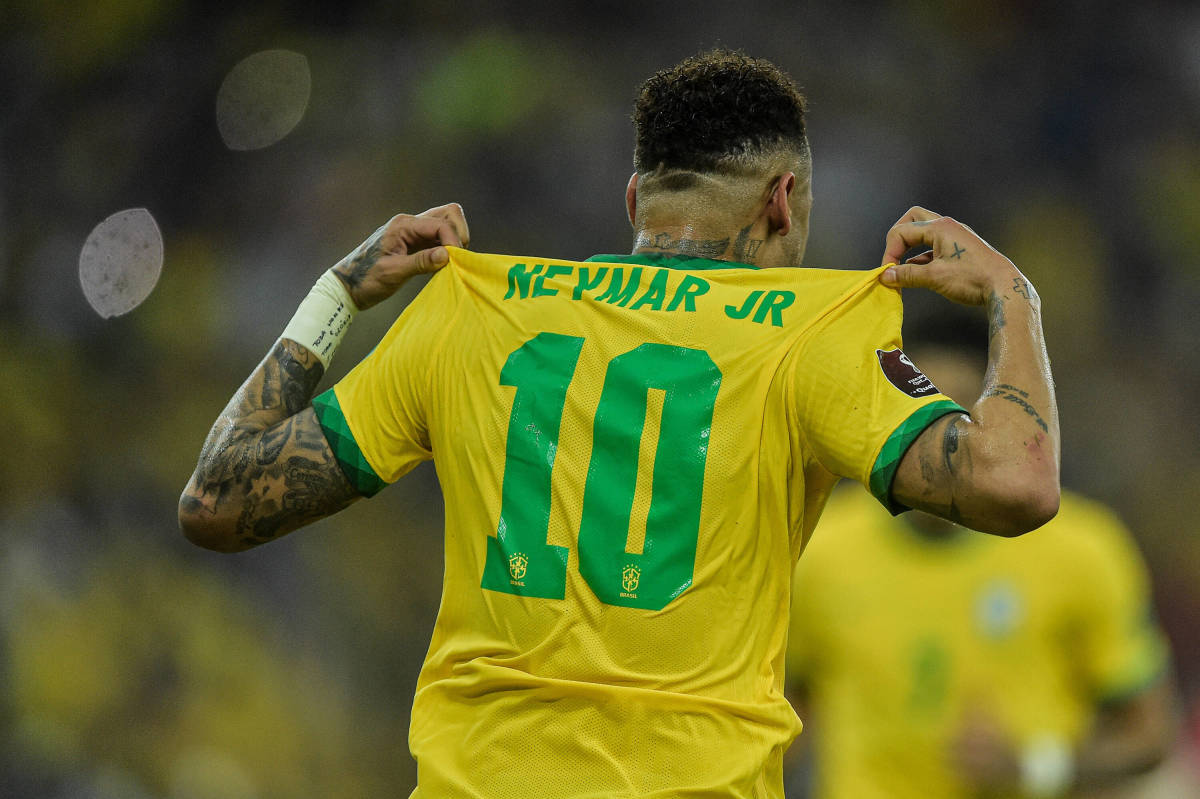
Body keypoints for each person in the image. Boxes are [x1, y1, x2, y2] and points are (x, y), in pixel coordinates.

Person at [179, 50, 1060, 798]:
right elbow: (1016, 481)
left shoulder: (469, 314)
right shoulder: (812, 332)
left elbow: (216, 500)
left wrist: (334, 296)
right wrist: (1011, 296)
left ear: (634, 199)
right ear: (782, 201)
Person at [785, 334, 1174, 799]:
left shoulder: (1081, 549)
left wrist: (1033, 767)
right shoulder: (820, 550)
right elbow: (785, 711)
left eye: (955, 423)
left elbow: (1149, 734)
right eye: (911, 421)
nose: (935, 448)